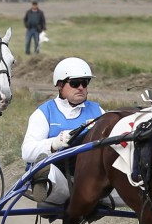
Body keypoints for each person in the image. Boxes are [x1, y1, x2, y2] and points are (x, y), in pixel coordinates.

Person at [21, 57, 104, 205]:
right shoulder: (44, 113)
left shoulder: (99, 111)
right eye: (74, 83)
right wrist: (54, 143)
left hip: (89, 176)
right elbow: (26, 152)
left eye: (85, 83)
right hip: (60, 175)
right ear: (60, 85)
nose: (81, 87)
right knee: (49, 170)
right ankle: (43, 183)